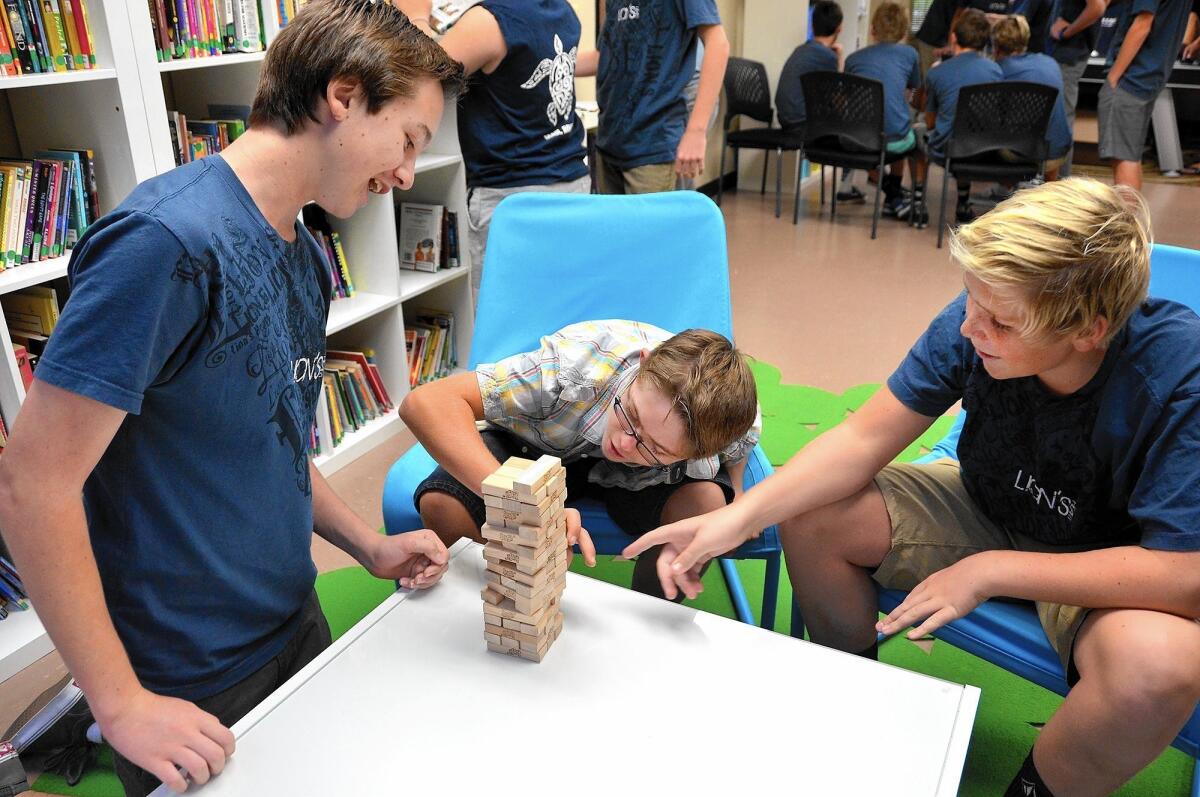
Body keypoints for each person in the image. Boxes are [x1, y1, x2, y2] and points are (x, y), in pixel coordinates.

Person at [0, 3, 465, 795]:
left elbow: (275, 438)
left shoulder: (307, 255)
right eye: (410, 139)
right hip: (186, 672)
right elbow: (32, 484)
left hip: (292, 617)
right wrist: (119, 702)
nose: (406, 175)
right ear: (343, 97)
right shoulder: (163, 243)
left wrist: (368, 544)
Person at [627, 178, 1200, 797]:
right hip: (986, 500)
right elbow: (860, 441)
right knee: (817, 512)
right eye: (969, 302)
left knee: (1157, 667)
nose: (969, 328)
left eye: (999, 322)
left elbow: (1184, 573)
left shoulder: (1177, 376)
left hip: (1107, 558)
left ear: (1089, 331)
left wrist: (991, 571)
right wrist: (733, 519)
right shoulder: (979, 317)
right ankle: (856, 704)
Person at [400, 322, 760, 599]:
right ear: (643, 365)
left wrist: (739, 497)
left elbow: (742, 447)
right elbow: (424, 403)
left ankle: (650, 620)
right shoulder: (570, 368)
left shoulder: (733, 425)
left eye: (654, 446)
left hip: (639, 482)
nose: (624, 442)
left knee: (706, 510)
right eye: (631, 414)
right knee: (445, 505)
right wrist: (525, 502)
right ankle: (498, 601)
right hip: (534, 444)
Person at [398, 0, 591, 305]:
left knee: (505, 318)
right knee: (563, 307)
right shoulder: (560, 10)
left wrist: (416, 16)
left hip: (514, 198)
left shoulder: (491, 21)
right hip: (572, 184)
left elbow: (422, 75)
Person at [575, 0, 730, 194]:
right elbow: (604, 56)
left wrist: (696, 131)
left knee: (652, 224)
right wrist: (553, 62)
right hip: (611, 140)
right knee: (614, 224)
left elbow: (718, 44)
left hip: (653, 144)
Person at [844, 2, 926, 223]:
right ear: (903, 32)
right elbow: (912, 90)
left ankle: (890, 191)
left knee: (872, 140)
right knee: (907, 133)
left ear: (872, 29)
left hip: (858, 140)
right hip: (894, 140)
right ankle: (895, 194)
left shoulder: (853, 59)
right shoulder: (910, 54)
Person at [1099, 0, 1191, 189]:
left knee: (1123, 156)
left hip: (1131, 76)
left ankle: (1128, 218)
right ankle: (1131, 217)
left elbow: (1142, 24)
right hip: (1149, 74)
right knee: (1130, 154)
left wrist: (1114, 77)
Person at [924, 8, 1003, 223]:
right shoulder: (996, 71)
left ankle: (917, 200)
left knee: (919, 137)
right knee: (966, 132)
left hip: (948, 151)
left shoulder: (937, 72)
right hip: (983, 148)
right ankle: (962, 202)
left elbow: (930, 122)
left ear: (953, 37)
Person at [993, 14, 1073, 180]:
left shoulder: (997, 70)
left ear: (997, 45)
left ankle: (1007, 189)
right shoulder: (1050, 62)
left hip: (1018, 154)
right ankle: (1048, 191)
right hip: (1057, 153)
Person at [1047, 0, 1107, 177]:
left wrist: (1068, 31)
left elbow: (1097, 7)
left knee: (1060, 121)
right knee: (1056, 119)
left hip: (1067, 53)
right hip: (1060, 52)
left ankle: (1060, 187)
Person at [776, 0, 844, 132]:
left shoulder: (800, 50)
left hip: (784, 118)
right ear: (839, 29)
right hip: (801, 122)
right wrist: (840, 58)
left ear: (812, 26)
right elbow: (837, 98)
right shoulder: (828, 56)